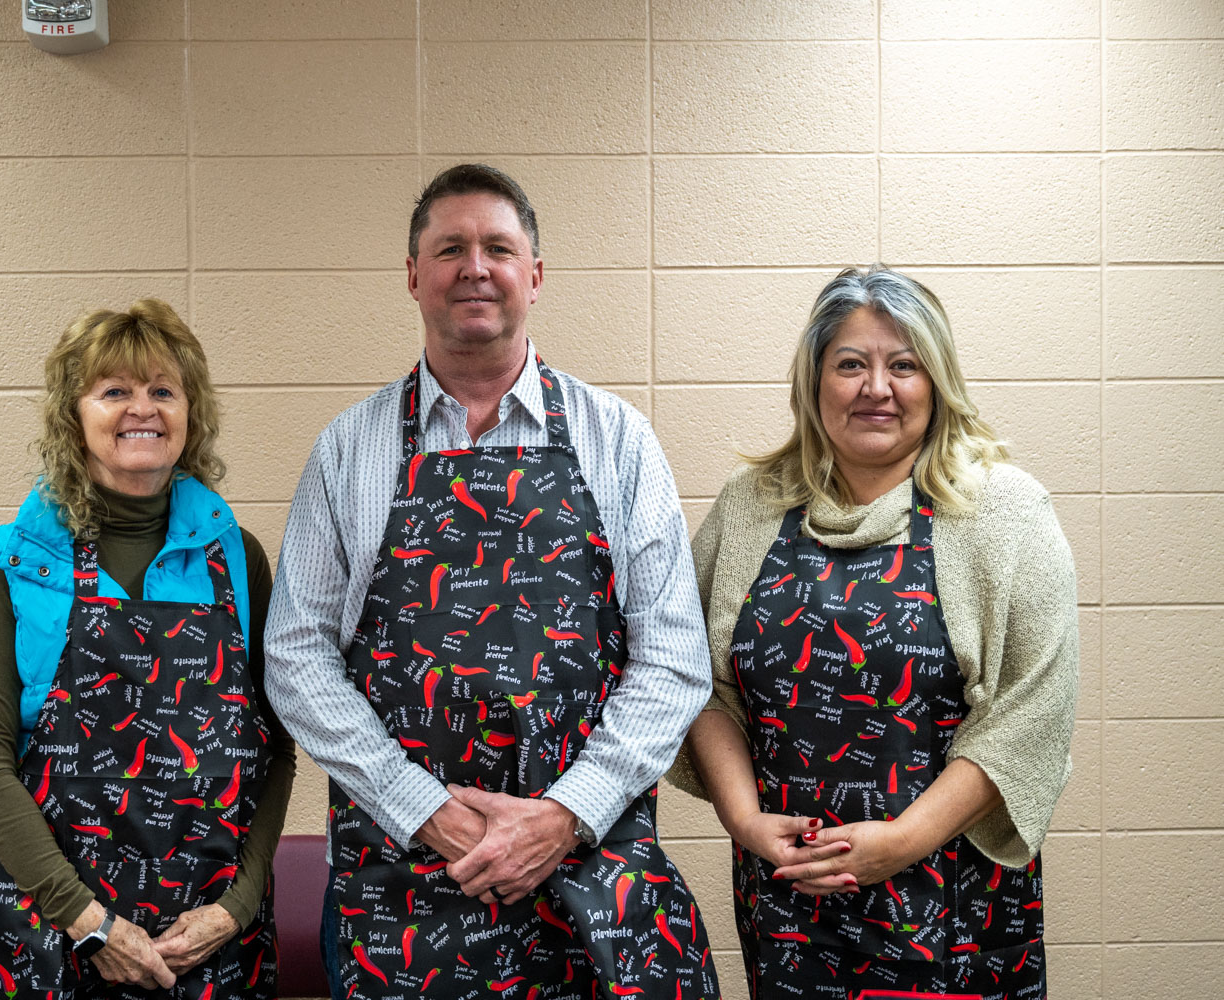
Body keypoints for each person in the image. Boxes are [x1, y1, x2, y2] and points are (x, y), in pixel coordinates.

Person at [264, 163, 720, 1000]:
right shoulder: (348, 448)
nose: (475, 267)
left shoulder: (617, 438)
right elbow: (297, 655)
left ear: (534, 277)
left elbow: (676, 658)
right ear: (413, 276)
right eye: (450, 249)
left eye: (498, 248)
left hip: (590, 870)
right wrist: (424, 811)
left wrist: (563, 815)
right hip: (401, 886)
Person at [668, 266, 1078, 1000]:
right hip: (789, 892)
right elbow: (695, 679)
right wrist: (744, 818)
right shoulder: (751, 505)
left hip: (950, 898)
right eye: (851, 364)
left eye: (904, 365)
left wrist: (904, 842)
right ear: (815, 380)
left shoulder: (1004, 512)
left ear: (937, 381)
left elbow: (1028, 716)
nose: (876, 388)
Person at [0, 299, 295, 998]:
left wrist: (236, 908)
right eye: (115, 391)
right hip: (47, 937)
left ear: (190, 412)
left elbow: (274, 752)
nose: (143, 409)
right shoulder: (14, 560)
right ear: (73, 416)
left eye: (162, 390)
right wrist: (88, 923)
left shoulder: (237, 559)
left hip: (207, 947)